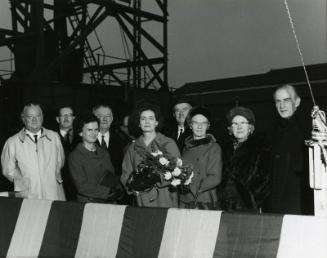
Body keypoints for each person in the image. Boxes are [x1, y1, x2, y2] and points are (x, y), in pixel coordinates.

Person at [1, 103, 65, 200]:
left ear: (42, 117)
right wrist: (24, 184)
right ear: (23, 119)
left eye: (38, 116)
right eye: (30, 116)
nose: (34, 120)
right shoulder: (12, 142)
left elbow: (60, 162)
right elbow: (7, 170)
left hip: (53, 194)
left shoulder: (54, 137)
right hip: (28, 196)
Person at [121, 103, 180, 208]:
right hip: (141, 199)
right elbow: (126, 173)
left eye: (151, 118)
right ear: (138, 123)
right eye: (143, 119)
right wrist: (133, 187)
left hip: (164, 197)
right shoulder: (132, 148)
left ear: (156, 122)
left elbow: (176, 170)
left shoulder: (167, 143)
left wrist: (153, 180)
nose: (147, 122)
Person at [266, 84, 313, 214]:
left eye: (286, 100)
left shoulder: (308, 128)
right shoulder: (273, 131)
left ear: (296, 102)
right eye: (278, 101)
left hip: (300, 201)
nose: (282, 106)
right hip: (276, 201)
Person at [219, 106, 270, 212]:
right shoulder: (224, 149)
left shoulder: (260, 148)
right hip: (224, 206)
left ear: (250, 127)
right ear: (230, 129)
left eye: (243, 123)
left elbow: (264, 180)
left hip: (248, 207)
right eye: (235, 124)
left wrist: (249, 199)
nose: (239, 127)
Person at [68, 113, 123, 203]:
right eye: (89, 130)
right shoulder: (75, 156)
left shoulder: (103, 152)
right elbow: (81, 186)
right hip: (89, 204)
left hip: (110, 201)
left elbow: (112, 176)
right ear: (80, 132)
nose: (94, 133)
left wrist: (118, 189)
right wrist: (107, 192)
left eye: (96, 129)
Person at [179, 106, 222, 210]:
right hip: (184, 200)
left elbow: (215, 177)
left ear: (208, 126)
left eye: (203, 123)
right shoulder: (185, 149)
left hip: (204, 201)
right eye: (196, 122)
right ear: (190, 125)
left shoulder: (214, 147)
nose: (199, 126)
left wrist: (191, 187)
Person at [93, 104, 125, 176]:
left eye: (108, 116)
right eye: (100, 115)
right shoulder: (85, 140)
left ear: (112, 118)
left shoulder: (121, 141)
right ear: (93, 118)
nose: (105, 119)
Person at [56, 106, 79, 200]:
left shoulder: (82, 138)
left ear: (73, 118)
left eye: (69, 115)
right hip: (59, 187)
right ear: (58, 119)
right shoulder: (51, 138)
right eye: (63, 115)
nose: (66, 118)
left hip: (79, 188)